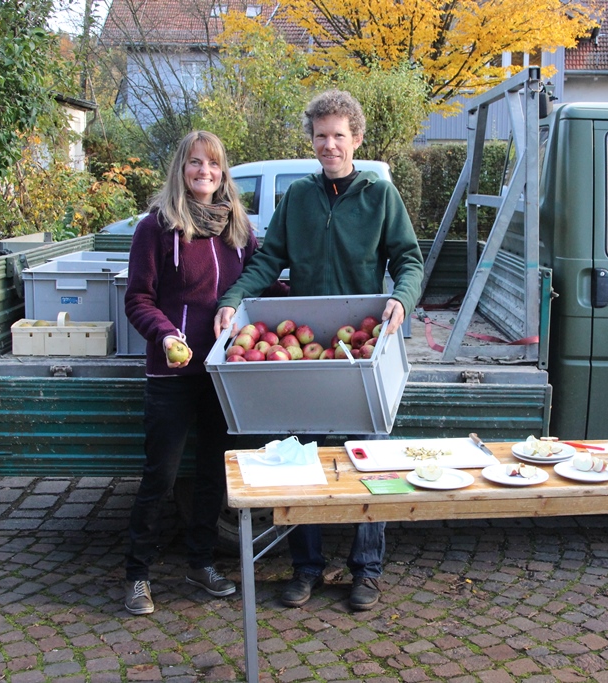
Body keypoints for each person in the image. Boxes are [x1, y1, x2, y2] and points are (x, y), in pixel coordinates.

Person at [213, 90, 424, 611]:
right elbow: (268, 262)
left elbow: (409, 260)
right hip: (306, 349)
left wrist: (401, 301)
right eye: (320, 136)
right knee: (299, 459)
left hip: (363, 345)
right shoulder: (298, 199)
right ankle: (305, 568)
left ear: (356, 138)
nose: (329, 145)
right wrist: (233, 299)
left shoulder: (379, 196)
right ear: (311, 140)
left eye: (338, 135)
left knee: (370, 461)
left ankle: (366, 572)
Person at [123, 130, 286, 616]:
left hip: (223, 369)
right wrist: (165, 333)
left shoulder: (237, 226)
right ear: (181, 168)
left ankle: (200, 563)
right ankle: (137, 574)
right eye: (195, 164)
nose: (204, 173)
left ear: (223, 172)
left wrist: (302, 301)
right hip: (172, 374)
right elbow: (138, 298)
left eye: (213, 165)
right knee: (161, 475)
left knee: (214, 471)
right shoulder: (156, 227)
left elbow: (259, 281)